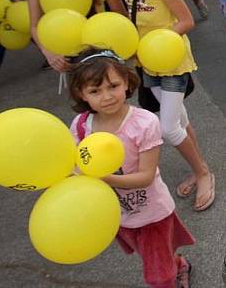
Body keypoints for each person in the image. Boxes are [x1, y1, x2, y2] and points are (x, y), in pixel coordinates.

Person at [95, 0, 215, 211]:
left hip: (172, 62)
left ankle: (203, 173)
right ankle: (200, 166)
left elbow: (186, 21)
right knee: (180, 120)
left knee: (168, 128)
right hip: (146, 64)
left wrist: (155, 45)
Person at [68, 51, 195, 287]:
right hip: (118, 214)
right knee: (151, 256)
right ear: (80, 93)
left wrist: (100, 178)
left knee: (158, 277)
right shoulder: (81, 126)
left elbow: (146, 177)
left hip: (151, 212)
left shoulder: (144, 123)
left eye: (113, 86)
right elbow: (76, 166)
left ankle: (171, 270)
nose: (106, 96)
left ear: (126, 82)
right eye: (95, 91)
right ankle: (178, 264)